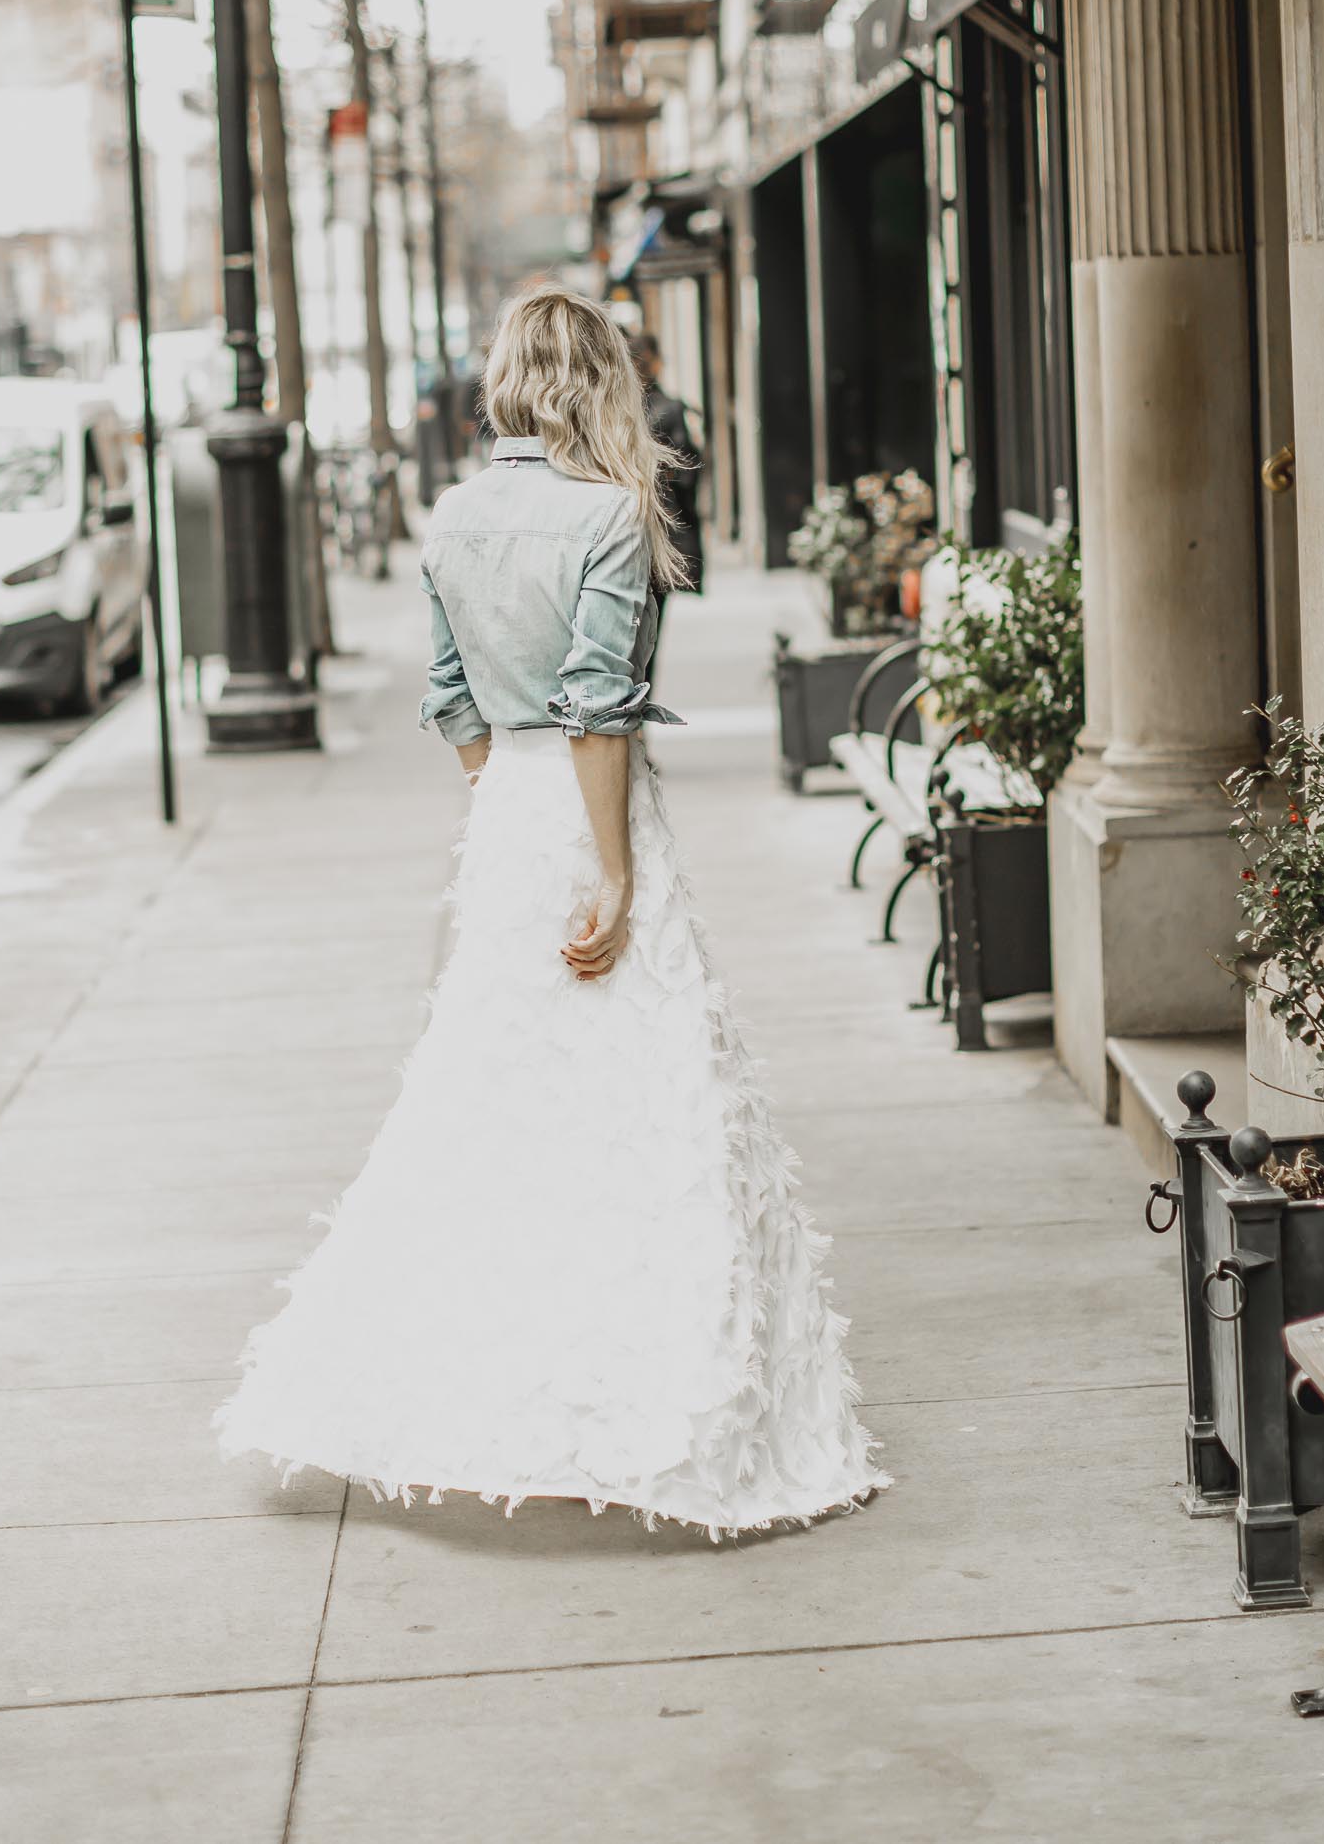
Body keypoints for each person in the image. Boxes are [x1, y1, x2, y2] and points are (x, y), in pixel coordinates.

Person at [215, 285, 886, 1537]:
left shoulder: (454, 514)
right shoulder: (609, 515)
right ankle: (639, 1377)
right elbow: (595, 706)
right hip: (586, 813)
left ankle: (478, 1365)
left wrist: (512, 812)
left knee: (493, 1092)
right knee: (644, 1092)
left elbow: (455, 699)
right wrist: (612, 865)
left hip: (507, 817)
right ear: (598, 382)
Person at [627, 326, 702, 696]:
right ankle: (637, 730)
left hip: (615, 534)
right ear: (654, 363)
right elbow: (688, 477)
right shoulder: (670, 410)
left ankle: (624, 729)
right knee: (648, 641)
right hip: (657, 538)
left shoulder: (612, 414)